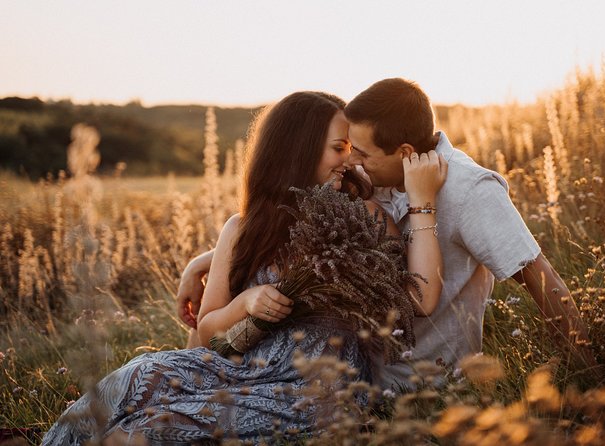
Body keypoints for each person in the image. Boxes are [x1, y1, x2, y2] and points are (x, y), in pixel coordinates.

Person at [42, 91, 447, 445]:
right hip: (237, 369)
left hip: (314, 386)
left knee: (140, 434)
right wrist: (246, 302)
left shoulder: (366, 216)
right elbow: (207, 329)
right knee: (125, 383)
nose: (350, 160)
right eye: (340, 147)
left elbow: (421, 297)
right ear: (298, 150)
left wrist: (420, 201)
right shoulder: (242, 228)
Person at [178, 78, 598, 392]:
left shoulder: (470, 192)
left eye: (359, 152)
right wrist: (212, 259)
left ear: (403, 153)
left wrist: (592, 379)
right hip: (355, 372)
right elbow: (300, 231)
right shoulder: (372, 180)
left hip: (414, 380)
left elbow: (542, 281)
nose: (353, 164)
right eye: (345, 148)